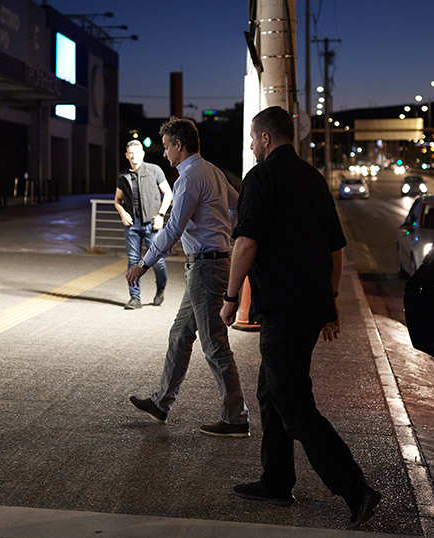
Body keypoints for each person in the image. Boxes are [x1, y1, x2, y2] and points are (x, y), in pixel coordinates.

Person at [220, 106, 381, 529]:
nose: (252, 146)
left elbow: (246, 244)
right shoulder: (313, 180)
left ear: (266, 139)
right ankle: (276, 482)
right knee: (271, 394)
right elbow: (335, 251)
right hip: (309, 309)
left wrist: (230, 298)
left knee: (292, 403)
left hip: (284, 311)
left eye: (253, 139)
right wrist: (329, 302)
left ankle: (355, 489)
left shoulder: (262, 178)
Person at [127, 116, 249, 437]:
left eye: (166, 147)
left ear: (179, 145)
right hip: (210, 265)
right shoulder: (213, 172)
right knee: (180, 336)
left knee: (214, 345)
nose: (164, 154)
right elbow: (239, 207)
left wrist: (144, 263)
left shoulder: (189, 178)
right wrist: (227, 233)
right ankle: (161, 403)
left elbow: (172, 228)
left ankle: (236, 417)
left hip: (206, 269)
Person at [115, 140, 172, 309]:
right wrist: (122, 212)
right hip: (132, 225)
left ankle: (161, 287)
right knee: (133, 261)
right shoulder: (123, 176)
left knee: (157, 260)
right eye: (130, 153)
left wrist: (161, 215)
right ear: (126, 155)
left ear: (143, 154)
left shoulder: (155, 170)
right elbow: (117, 200)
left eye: (137, 152)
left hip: (152, 223)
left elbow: (168, 193)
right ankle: (135, 298)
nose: (133, 156)